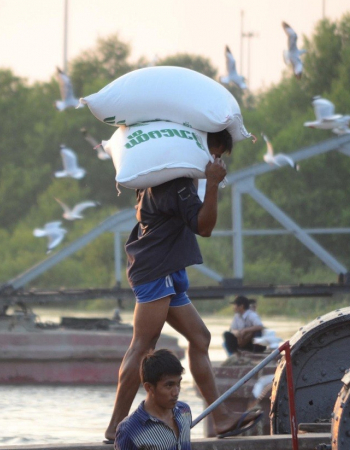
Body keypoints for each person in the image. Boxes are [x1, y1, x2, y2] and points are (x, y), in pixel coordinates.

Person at [104, 129, 260, 443]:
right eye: (215, 153)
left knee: (200, 336)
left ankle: (220, 417)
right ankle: (115, 427)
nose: (216, 160)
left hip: (167, 267)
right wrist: (213, 183)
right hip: (157, 267)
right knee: (142, 346)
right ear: (200, 148)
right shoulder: (176, 184)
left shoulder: (161, 176)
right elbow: (204, 227)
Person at [114, 349, 191, 450]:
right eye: (169, 385)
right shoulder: (129, 429)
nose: (176, 392)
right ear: (149, 388)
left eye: (178, 384)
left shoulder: (184, 412)